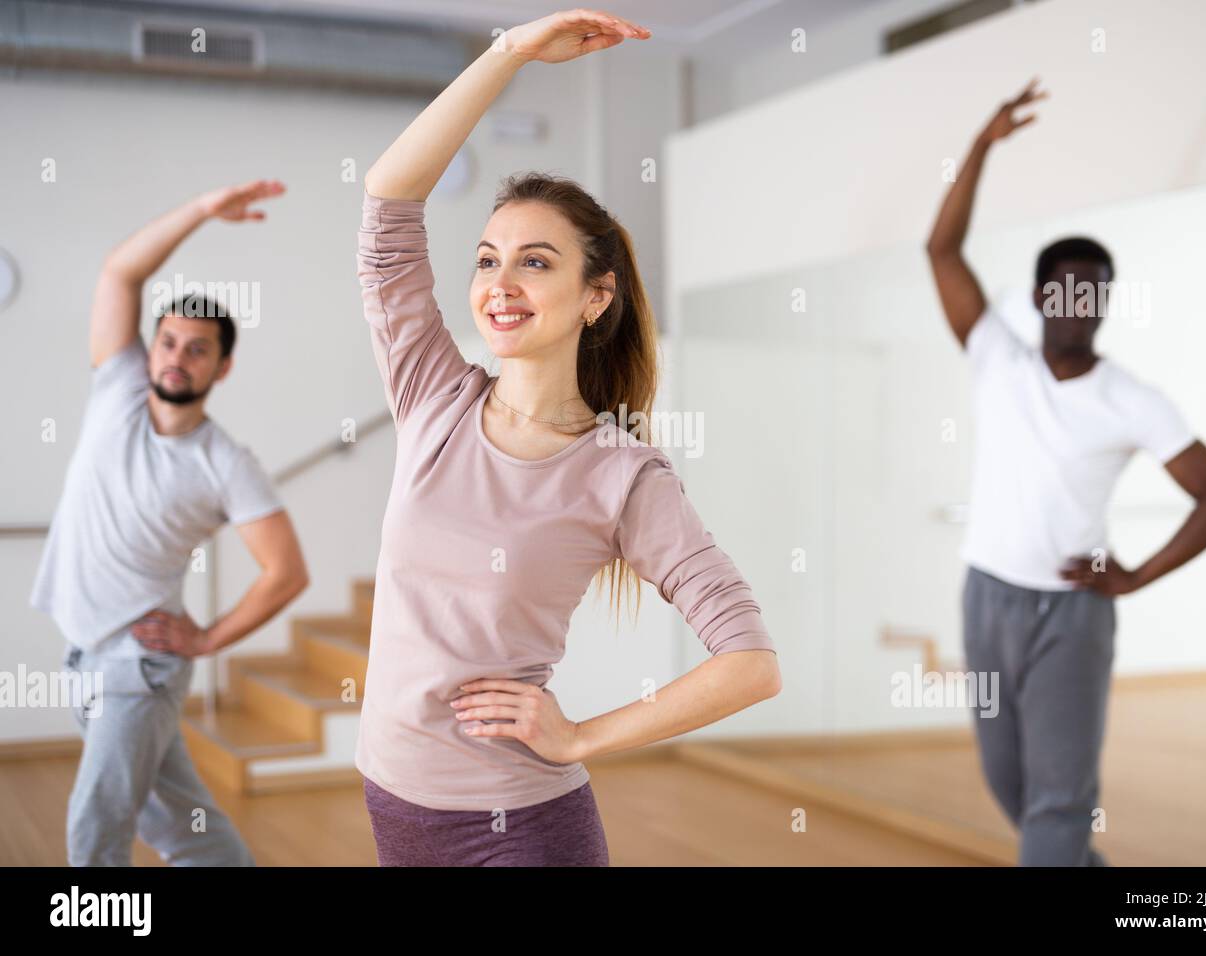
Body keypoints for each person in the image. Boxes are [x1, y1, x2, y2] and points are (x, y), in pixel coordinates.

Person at [355, 8, 781, 866]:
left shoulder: (621, 475)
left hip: (519, 827)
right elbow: (388, 202)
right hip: (391, 799)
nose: (499, 283)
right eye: (486, 258)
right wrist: (509, 51)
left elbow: (751, 661)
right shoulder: (433, 397)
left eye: (536, 261)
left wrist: (580, 735)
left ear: (596, 297)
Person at [925, 79, 1206, 866]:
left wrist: (1136, 578)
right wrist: (983, 142)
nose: (1078, 301)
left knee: (1060, 804)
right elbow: (941, 250)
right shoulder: (996, 355)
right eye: (1064, 288)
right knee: (1014, 788)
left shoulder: (1132, 399)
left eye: (1093, 291)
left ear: (1105, 301)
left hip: (1073, 614)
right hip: (988, 599)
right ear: (1040, 296)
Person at [30, 180, 310, 866]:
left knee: (97, 824)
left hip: (139, 664)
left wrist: (210, 638)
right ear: (150, 348)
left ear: (223, 365)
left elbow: (286, 573)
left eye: (197, 349)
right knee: (181, 826)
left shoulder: (226, 463)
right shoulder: (116, 386)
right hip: (84, 653)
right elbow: (121, 270)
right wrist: (202, 212)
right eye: (169, 341)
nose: (177, 357)